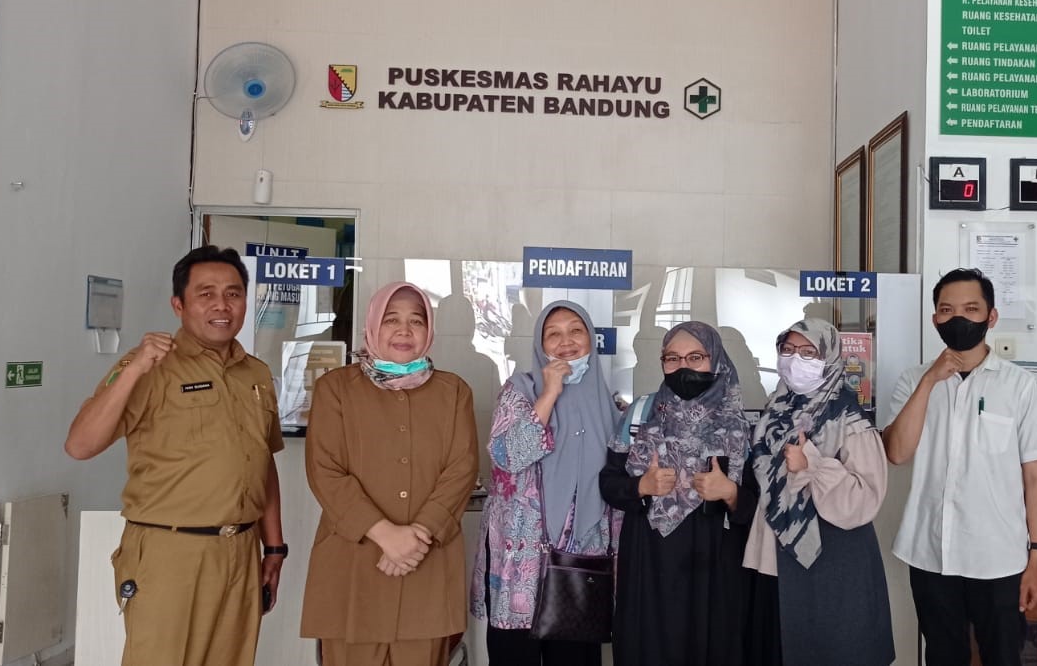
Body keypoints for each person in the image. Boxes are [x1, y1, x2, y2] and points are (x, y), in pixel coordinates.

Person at [64, 245, 286, 666]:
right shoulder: (151, 367)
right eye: (206, 294)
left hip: (241, 551)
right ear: (178, 305)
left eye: (233, 293)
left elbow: (263, 463)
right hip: (170, 550)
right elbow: (80, 445)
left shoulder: (255, 373)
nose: (222, 305)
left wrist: (274, 548)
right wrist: (134, 369)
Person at [881, 268, 1037, 666]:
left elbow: (1036, 477)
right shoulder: (913, 380)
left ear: (991, 317)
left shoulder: (1020, 386)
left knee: (1003, 657)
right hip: (929, 551)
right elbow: (897, 453)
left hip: (999, 555)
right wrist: (930, 381)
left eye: (971, 308)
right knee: (943, 656)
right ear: (935, 320)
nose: (959, 318)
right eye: (947, 310)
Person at [301, 282, 479, 665]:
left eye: (416, 321)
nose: (404, 330)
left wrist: (418, 535)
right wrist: (385, 535)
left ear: (429, 331)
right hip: (353, 565)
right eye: (391, 319)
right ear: (372, 326)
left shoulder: (453, 392)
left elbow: (462, 468)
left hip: (426, 566)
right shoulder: (336, 389)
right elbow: (325, 470)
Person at [470, 301, 622, 666]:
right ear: (540, 344)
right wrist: (550, 393)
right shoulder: (519, 391)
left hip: (581, 563)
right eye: (553, 334)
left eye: (576, 331)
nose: (566, 341)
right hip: (519, 566)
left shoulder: (610, 407)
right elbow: (508, 456)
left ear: (591, 339)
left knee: (575, 657)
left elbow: (617, 488)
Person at [599, 321, 755, 666]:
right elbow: (608, 482)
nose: (683, 367)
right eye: (672, 358)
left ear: (716, 359)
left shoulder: (738, 423)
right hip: (649, 558)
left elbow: (754, 506)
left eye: (695, 357)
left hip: (714, 562)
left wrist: (729, 492)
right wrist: (641, 487)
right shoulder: (641, 413)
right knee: (648, 647)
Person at [743, 318, 893, 666]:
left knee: (830, 650)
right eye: (788, 350)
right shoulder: (774, 409)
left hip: (833, 558)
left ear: (830, 357)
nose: (795, 360)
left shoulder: (848, 417)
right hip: (775, 555)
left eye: (809, 353)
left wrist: (814, 465)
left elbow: (866, 497)